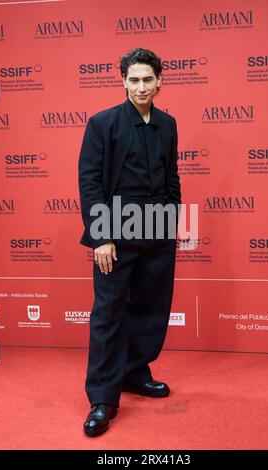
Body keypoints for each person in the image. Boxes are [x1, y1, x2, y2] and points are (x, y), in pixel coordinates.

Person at [78, 47, 182, 437]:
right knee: (108, 314)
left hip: (157, 229)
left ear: (159, 81)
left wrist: (170, 222)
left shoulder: (169, 124)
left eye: (147, 80)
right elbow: (90, 184)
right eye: (133, 79)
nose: (141, 86)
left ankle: (135, 373)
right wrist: (101, 238)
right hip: (115, 231)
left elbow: (172, 176)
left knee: (150, 308)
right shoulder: (102, 124)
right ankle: (102, 398)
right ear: (123, 81)